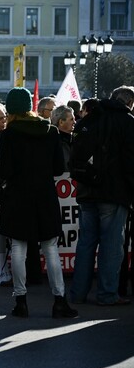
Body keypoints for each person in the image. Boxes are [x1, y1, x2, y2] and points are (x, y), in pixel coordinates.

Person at [0, 87, 77, 319]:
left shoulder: (9, 134)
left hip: (17, 197)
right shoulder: (50, 131)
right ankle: (59, 300)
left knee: (19, 248)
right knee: (51, 248)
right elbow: (58, 168)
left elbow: (5, 171)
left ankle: (21, 301)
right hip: (44, 195)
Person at [70, 86, 134, 306]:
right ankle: (107, 294)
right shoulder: (127, 121)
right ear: (130, 103)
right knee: (111, 244)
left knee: (86, 242)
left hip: (87, 190)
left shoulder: (90, 118)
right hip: (113, 192)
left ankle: (77, 293)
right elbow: (130, 162)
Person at [51, 105, 75, 172]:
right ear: (61, 122)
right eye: (71, 119)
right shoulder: (53, 142)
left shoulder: (75, 140)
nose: (74, 122)